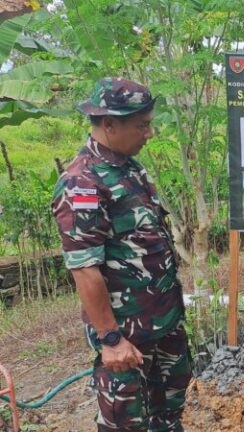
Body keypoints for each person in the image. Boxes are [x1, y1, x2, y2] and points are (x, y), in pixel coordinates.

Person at [51, 78, 191, 431]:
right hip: (127, 334)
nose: (149, 134)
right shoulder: (83, 183)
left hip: (163, 322)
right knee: (126, 422)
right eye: (142, 126)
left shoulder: (130, 169)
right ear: (110, 124)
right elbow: (85, 269)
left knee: (168, 415)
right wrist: (111, 339)